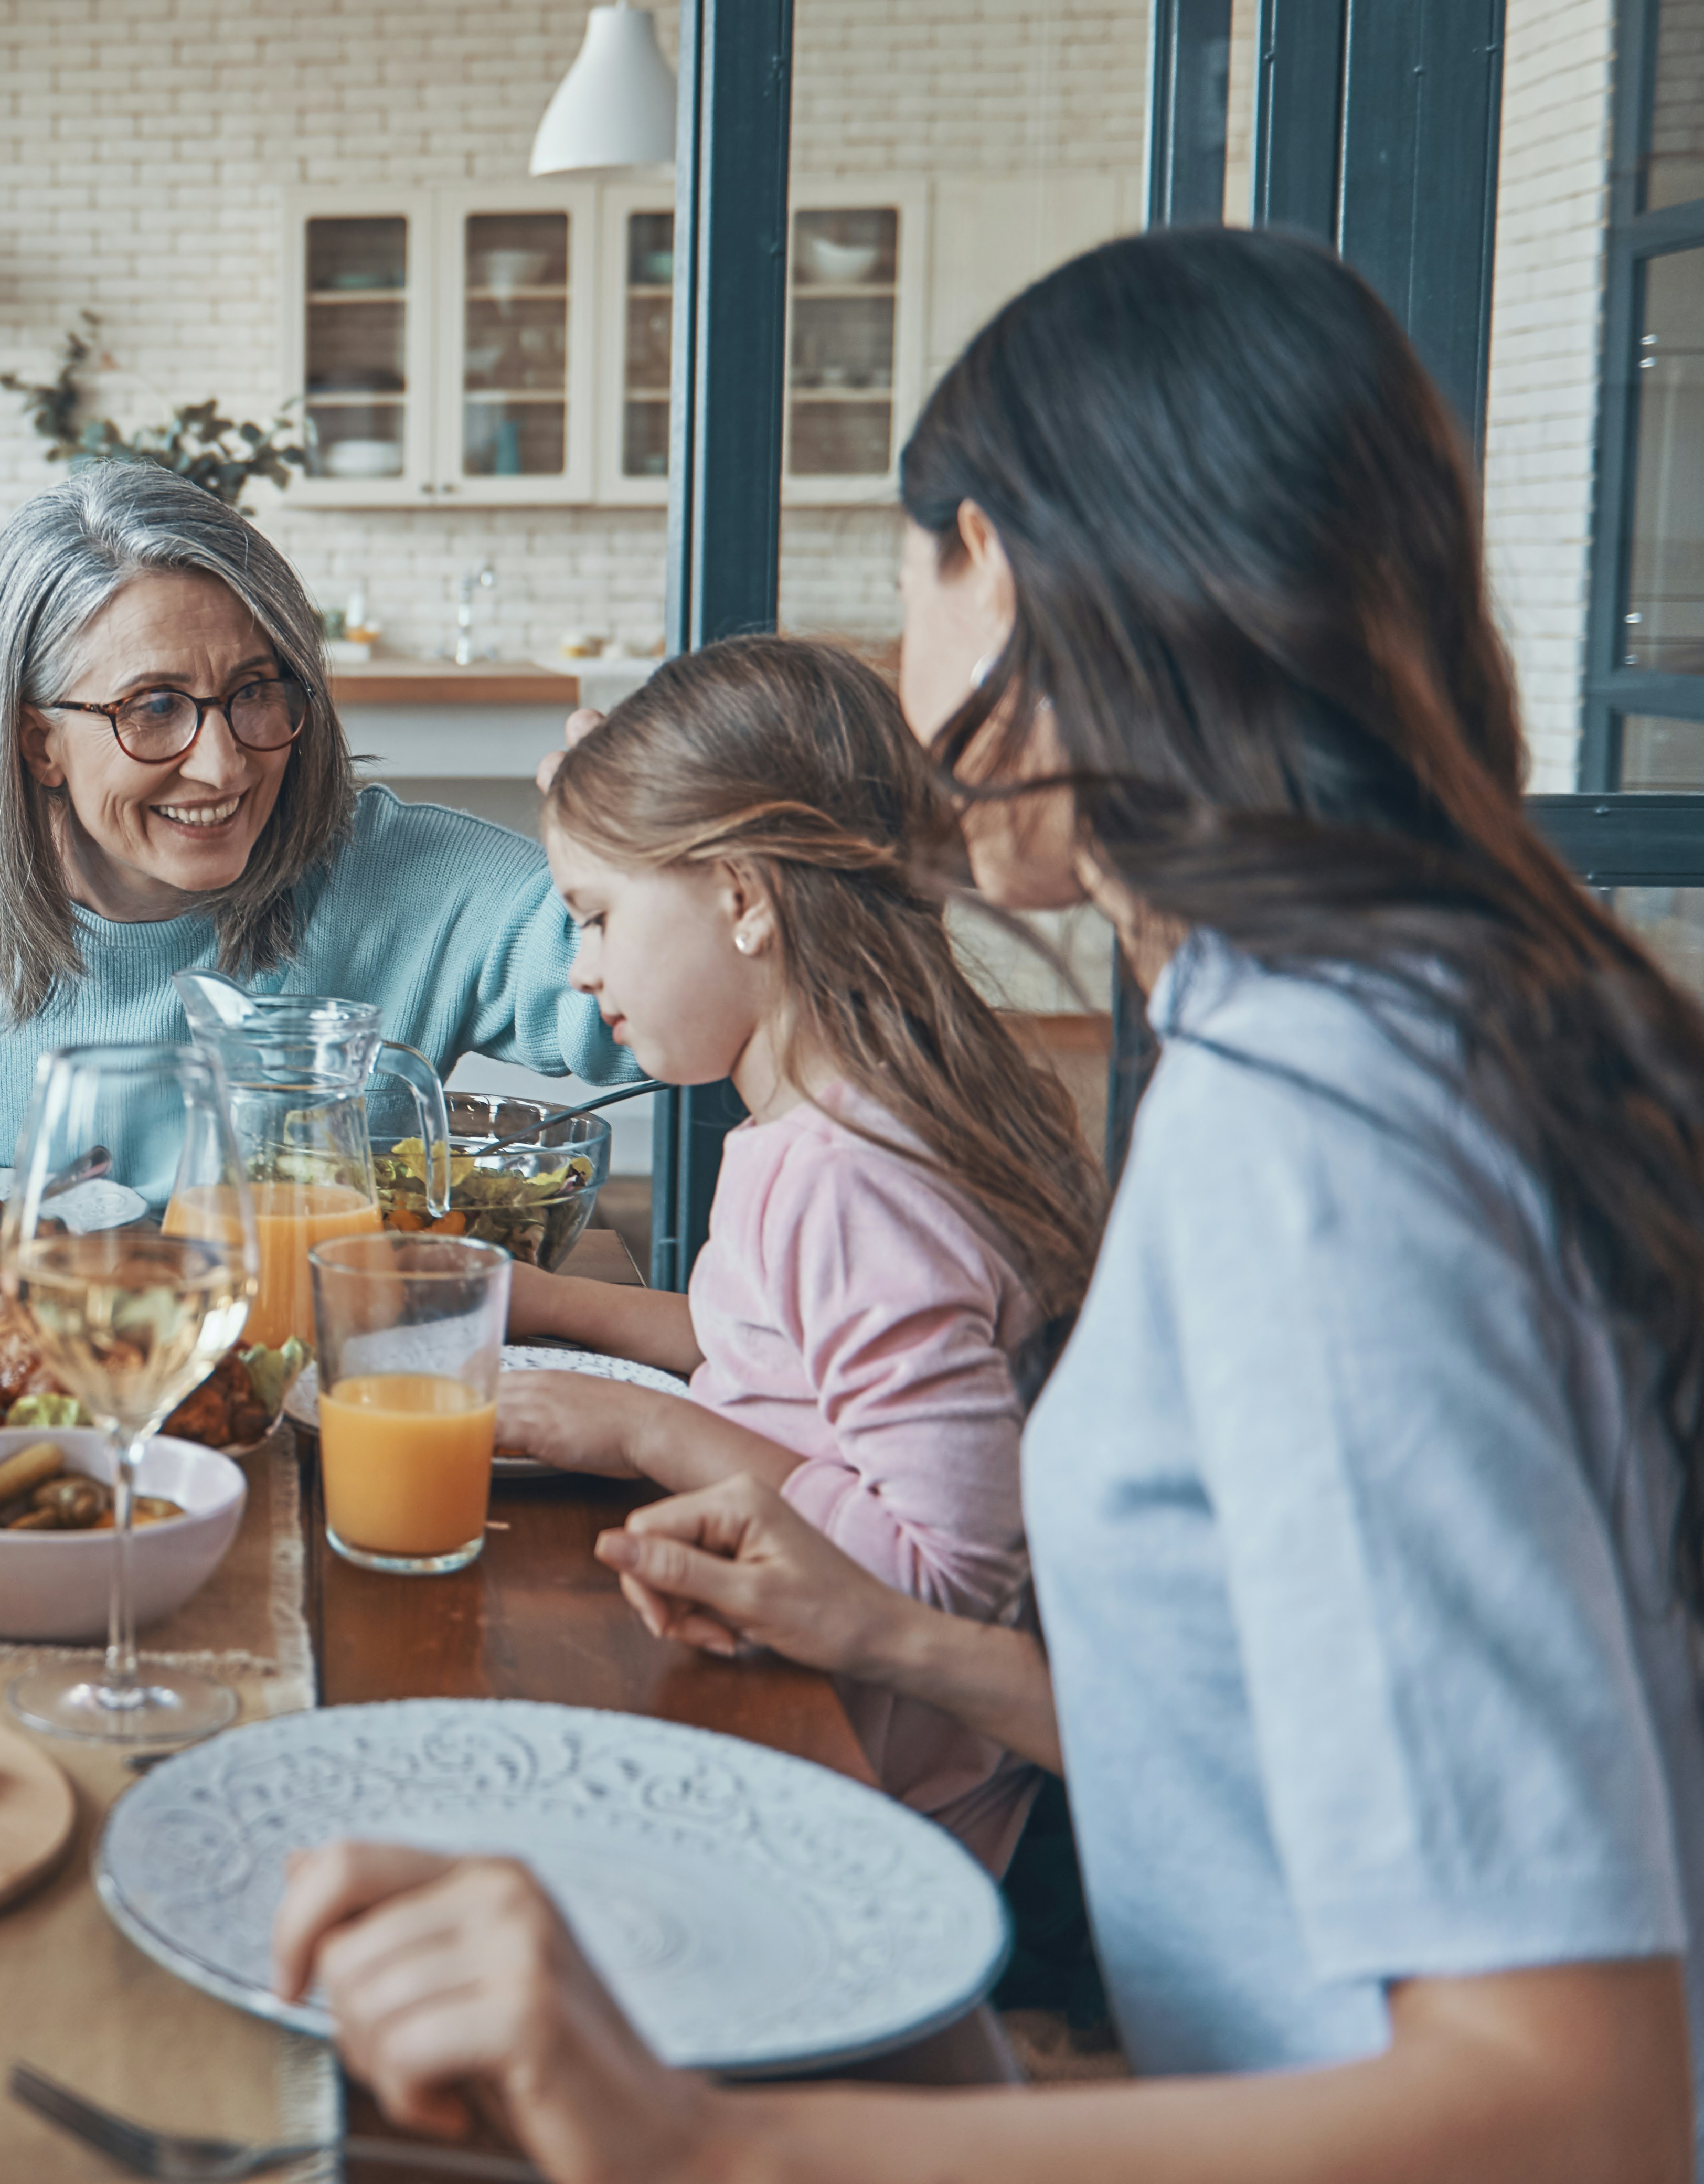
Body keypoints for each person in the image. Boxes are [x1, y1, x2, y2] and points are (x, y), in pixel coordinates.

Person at [275, 226, 1704, 2180]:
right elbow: (1247, 1773)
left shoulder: (1330, 1136)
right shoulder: (1339, 1024)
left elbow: (1574, 2112)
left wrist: (709, 2147)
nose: (902, 669)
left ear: (1006, 579)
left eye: (908, 578)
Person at [0, 457, 632, 1217]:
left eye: (254, 693)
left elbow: (636, 988)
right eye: (153, 707)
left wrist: (645, 846)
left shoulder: (411, 878)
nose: (225, 764)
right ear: (37, 740)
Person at [489, 633, 1099, 1871]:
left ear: (743, 895)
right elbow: (765, 1352)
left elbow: (947, 1579)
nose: (581, 968)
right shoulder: (823, 1121)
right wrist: (546, 1303)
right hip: (828, 1726)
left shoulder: (851, 1173)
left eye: (598, 916)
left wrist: (647, 1433)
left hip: (891, 1801)